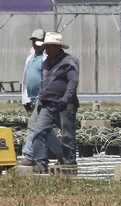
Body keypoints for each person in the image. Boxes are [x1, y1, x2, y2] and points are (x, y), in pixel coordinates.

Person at [32, 32, 80, 173]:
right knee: (39, 131)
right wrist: (40, 100)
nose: (46, 50)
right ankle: (40, 163)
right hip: (47, 104)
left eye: (49, 47)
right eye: (45, 47)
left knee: (67, 134)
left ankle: (68, 162)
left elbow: (73, 82)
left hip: (65, 105)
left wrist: (65, 100)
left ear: (57, 47)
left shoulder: (70, 61)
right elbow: (43, 83)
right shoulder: (46, 62)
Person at [20, 29, 62, 166]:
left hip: (43, 96)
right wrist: (25, 99)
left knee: (33, 125)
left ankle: (29, 155)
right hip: (31, 97)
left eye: (38, 42)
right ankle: (62, 154)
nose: (35, 45)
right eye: (33, 41)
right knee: (45, 129)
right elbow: (26, 78)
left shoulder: (47, 57)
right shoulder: (31, 55)